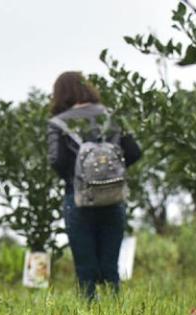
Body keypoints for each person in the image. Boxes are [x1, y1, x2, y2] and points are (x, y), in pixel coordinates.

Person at [47, 71, 141, 299]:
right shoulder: (112, 117)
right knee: (111, 269)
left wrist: (78, 177)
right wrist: (110, 173)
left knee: (85, 270)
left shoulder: (58, 123)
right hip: (113, 198)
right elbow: (135, 152)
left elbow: (56, 160)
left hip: (77, 199)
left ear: (60, 94)